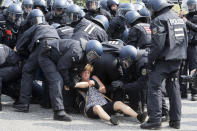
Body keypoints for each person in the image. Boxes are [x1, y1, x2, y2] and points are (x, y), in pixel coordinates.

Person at [13, 9, 68, 122]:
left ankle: (24, 104)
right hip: (54, 49)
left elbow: (20, 43)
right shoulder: (52, 27)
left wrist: (19, 50)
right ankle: (50, 104)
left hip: (42, 46)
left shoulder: (36, 27)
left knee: (27, 71)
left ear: (32, 21)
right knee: (52, 77)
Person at [140, 0, 187, 129]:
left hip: (164, 60)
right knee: (174, 87)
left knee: (154, 86)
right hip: (178, 59)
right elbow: (185, 40)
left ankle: (155, 120)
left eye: (150, 8)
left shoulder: (159, 20)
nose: (149, 11)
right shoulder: (177, 18)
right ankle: (175, 121)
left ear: (156, 7)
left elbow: (157, 45)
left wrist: (150, 61)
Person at [75, 64, 147, 125]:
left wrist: (95, 84)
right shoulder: (79, 83)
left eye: (88, 72)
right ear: (80, 73)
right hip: (91, 109)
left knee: (118, 103)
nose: (86, 74)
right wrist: (89, 84)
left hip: (103, 104)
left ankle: (138, 116)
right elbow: (78, 85)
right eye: (84, 72)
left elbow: (104, 89)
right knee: (97, 107)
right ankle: (111, 120)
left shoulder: (93, 78)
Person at [179, 0, 197, 101]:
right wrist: (180, 17)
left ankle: (194, 92)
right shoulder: (186, 15)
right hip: (184, 45)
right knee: (183, 68)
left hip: (194, 46)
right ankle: (183, 91)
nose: (190, 7)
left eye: (192, 5)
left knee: (193, 69)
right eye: (189, 5)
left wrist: (186, 21)